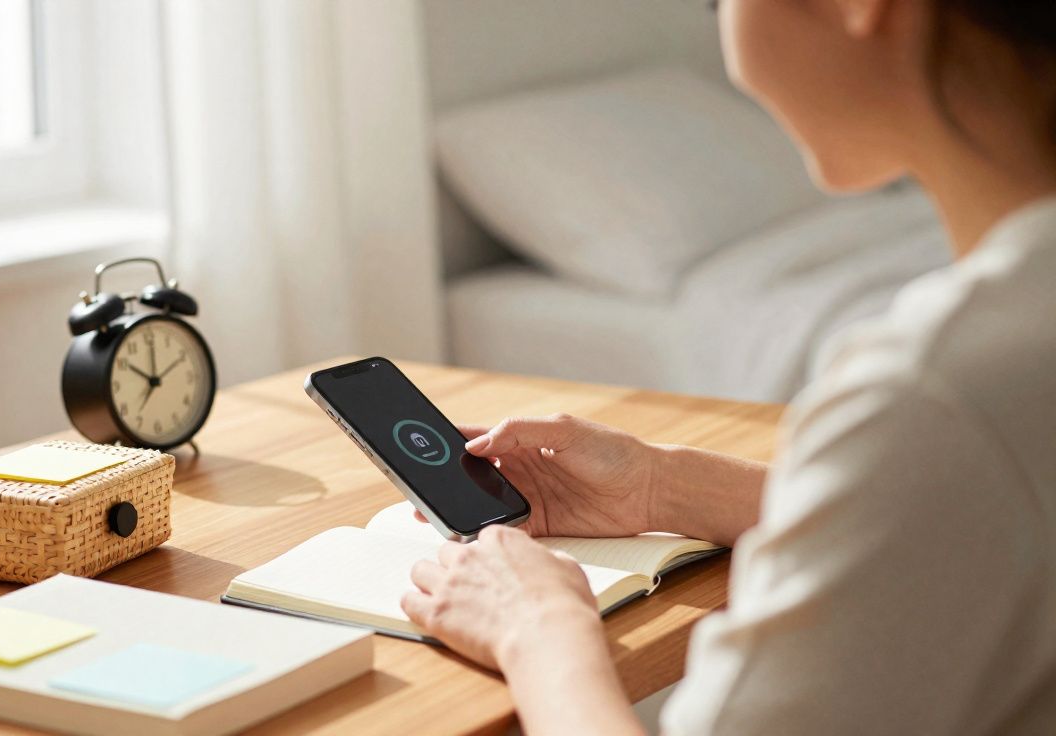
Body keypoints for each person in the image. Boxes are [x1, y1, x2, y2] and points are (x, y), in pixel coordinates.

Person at [399, 1, 1056, 733]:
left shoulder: (935, 390)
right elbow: (975, 510)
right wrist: (663, 484)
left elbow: (950, 459)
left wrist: (538, 628)